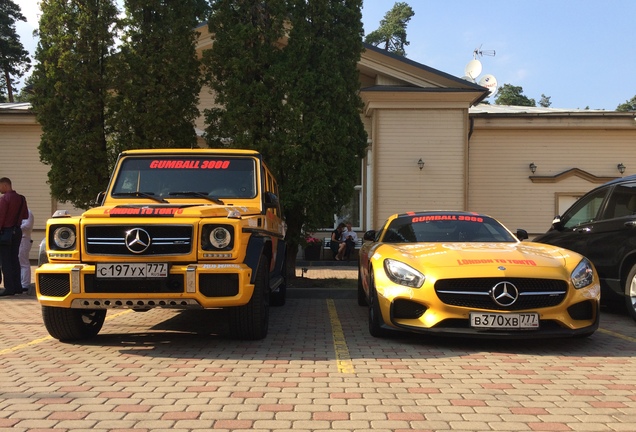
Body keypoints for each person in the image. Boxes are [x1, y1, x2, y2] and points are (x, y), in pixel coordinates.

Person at [0, 178, 28, 296]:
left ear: (5, 185)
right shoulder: (21, 199)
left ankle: (9, 288)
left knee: (5, 261)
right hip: (18, 231)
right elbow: (25, 215)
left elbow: (1, 218)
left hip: (6, 232)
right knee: (15, 259)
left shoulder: (4, 199)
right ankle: (18, 287)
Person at [19, 209, 34, 292]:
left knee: (23, 262)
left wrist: (17, 226)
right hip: (18, 239)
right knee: (19, 261)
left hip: (24, 239)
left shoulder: (27, 212)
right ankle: (20, 282)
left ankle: (25, 284)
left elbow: (27, 226)